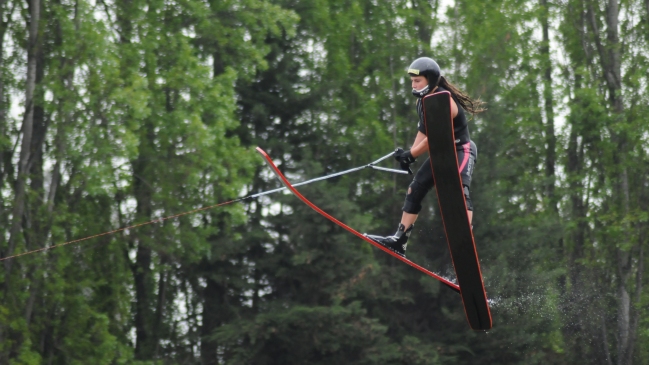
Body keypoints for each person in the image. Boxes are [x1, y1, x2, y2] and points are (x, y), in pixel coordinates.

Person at [366, 57, 485, 257]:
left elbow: (435, 136)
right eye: (412, 81)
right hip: (441, 153)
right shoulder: (422, 103)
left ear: (430, 79)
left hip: (460, 150)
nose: (413, 85)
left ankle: (466, 244)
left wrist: (412, 154)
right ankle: (400, 240)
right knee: (415, 188)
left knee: (459, 191)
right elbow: (423, 134)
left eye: (417, 81)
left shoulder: (442, 99)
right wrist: (408, 156)